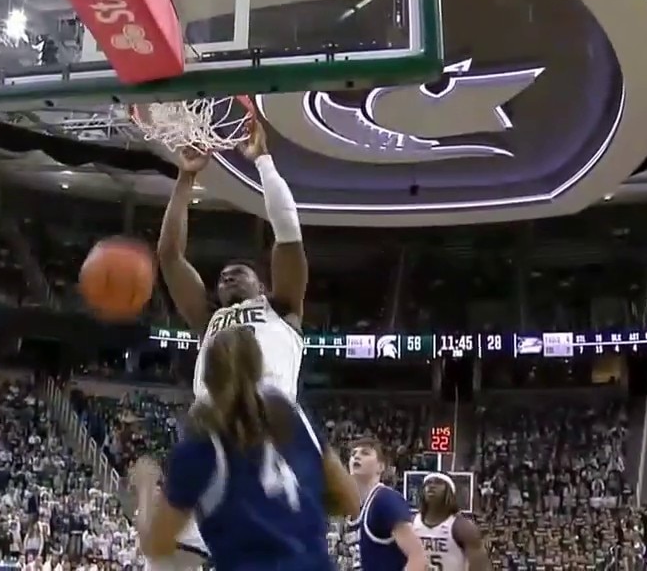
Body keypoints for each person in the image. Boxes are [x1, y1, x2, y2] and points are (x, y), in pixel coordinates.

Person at [156, 116, 308, 568]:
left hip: (265, 441)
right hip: (209, 443)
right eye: (222, 276)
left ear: (262, 285)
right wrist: (185, 179)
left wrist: (264, 162)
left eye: (239, 272)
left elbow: (288, 233)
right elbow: (169, 256)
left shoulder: (282, 310)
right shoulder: (209, 320)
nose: (227, 276)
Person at [130, 325, 359, 571]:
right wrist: (296, 508)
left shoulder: (200, 443)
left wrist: (145, 485)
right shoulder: (290, 415)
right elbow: (351, 501)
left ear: (205, 378)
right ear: (260, 369)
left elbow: (156, 546)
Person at [346, 440, 426, 571]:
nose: (356, 456)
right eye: (353, 454)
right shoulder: (352, 506)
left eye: (365, 453)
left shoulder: (385, 500)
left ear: (380, 467)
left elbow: (418, 556)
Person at [410, 474, 491, 571]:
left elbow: (480, 567)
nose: (431, 486)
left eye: (438, 482)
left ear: (449, 491)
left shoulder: (462, 527)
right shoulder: (410, 523)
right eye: (428, 483)